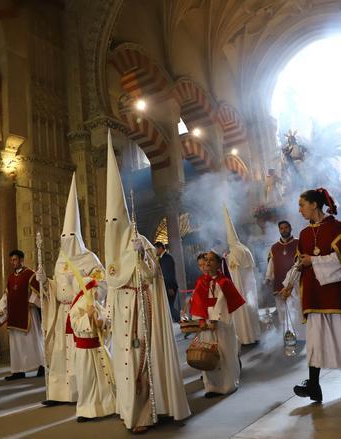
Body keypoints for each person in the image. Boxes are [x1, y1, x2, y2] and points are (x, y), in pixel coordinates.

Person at [103, 130, 191, 434]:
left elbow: (151, 274)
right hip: (123, 318)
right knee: (126, 365)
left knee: (144, 361)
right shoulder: (110, 251)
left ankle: (155, 409)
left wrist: (144, 257)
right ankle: (132, 411)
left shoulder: (139, 240)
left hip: (144, 314)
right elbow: (111, 286)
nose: (113, 229)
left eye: (116, 222)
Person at [280, 188, 341, 402]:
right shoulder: (304, 234)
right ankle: (314, 385)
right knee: (315, 341)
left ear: (314, 204)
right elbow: (299, 263)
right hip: (314, 296)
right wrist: (288, 284)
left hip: (338, 296)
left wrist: (313, 261)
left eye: (302, 205)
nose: (300, 210)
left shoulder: (337, 228)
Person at [36, 173, 107, 406]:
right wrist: (45, 283)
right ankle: (59, 394)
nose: (66, 238)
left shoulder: (89, 258)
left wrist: (88, 290)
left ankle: (82, 393)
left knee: (81, 355)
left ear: (77, 237)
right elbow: (56, 287)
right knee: (61, 356)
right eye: (63, 236)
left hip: (80, 314)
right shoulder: (60, 260)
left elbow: (101, 283)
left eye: (70, 235)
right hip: (62, 316)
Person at [190, 251, 245, 397]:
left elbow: (222, 302)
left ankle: (228, 385)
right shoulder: (201, 281)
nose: (207, 263)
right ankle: (211, 386)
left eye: (210, 261)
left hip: (221, 321)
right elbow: (198, 301)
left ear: (218, 263)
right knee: (208, 352)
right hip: (206, 321)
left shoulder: (224, 282)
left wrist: (215, 319)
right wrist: (201, 320)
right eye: (206, 260)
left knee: (225, 352)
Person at [69, 276, 116, 422]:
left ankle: (108, 407)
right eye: (94, 290)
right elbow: (75, 325)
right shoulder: (76, 308)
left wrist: (100, 322)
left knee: (104, 380)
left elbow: (106, 322)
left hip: (99, 348)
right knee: (87, 381)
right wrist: (87, 317)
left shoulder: (97, 305)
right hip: (85, 351)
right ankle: (86, 410)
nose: (97, 293)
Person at [0, 250, 45, 380]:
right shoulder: (11, 277)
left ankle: (42, 366)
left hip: (28, 314)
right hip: (14, 315)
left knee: (33, 341)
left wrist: (32, 302)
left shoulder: (31, 274)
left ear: (22, 260)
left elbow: (39, 293)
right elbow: (7, 295)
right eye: (11, 260)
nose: (13, 262)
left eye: (15, 260)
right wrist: (1, 308)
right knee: (16, 344)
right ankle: (18, 371)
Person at [222, 206, 261, 345]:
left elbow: (234, 274)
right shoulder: (245, 249)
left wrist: (226, 259)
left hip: (241, 290)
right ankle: (255, 335)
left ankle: (246, 338)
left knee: (243, 315)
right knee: (252, 311)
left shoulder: (233, 252)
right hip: (250, 288)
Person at [264, 220, 305, 341]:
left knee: (297, 309)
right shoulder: (274, 247)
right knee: (282, 311)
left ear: (290, 228)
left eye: (286, 227)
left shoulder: (299, 243)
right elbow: (271, 264)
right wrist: (268, 278)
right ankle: (287, 334)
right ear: (279, 230)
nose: (284, 230)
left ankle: (301, 335)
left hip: (296, 282)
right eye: (281, 228)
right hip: (279, 282)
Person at [154, 241, 180, 323]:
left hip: (170, 286)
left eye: (156, 249)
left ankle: (183, 321)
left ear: (160, 248)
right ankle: (182, 322)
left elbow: (168, 274)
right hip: (167, 286)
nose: (155, 251)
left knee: (169, 307)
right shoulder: (162, 258)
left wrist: (170, 287)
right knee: (168, 307)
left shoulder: (167, 258)